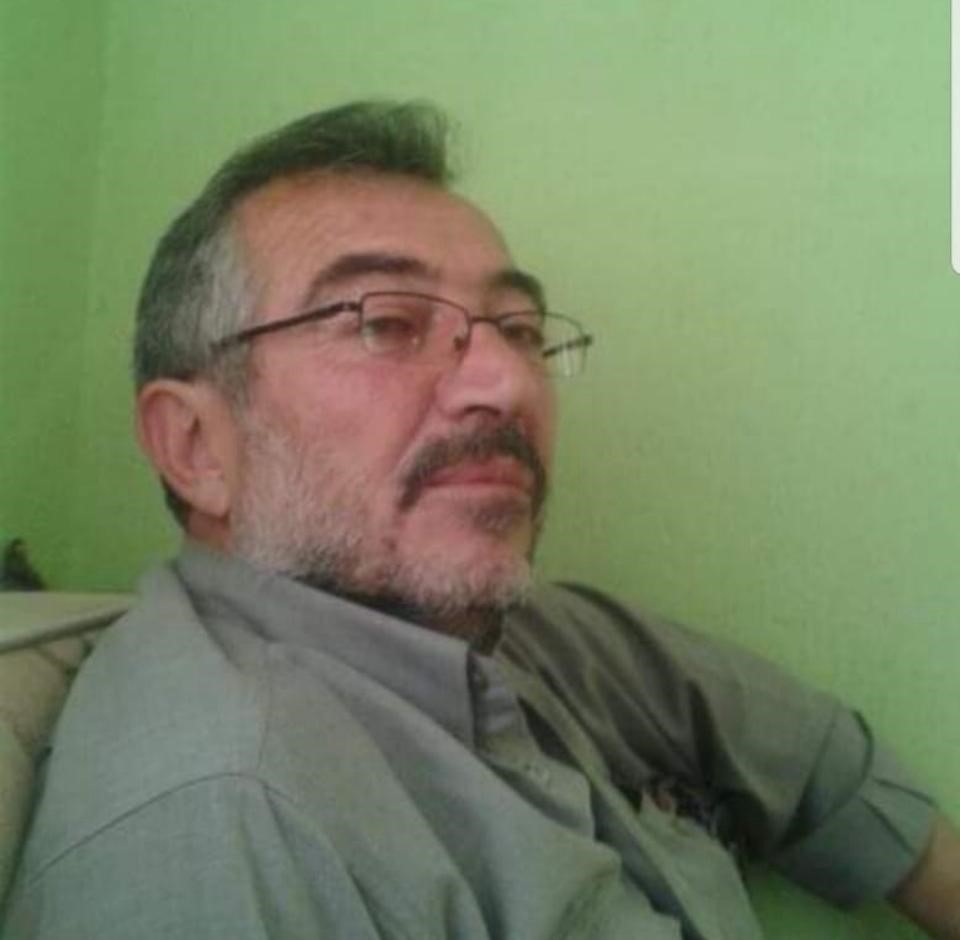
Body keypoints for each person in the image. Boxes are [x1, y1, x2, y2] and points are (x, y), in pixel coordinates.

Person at [3, 101, 957, 939]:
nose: (506, 382)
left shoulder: (521, 630)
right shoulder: (231, 832)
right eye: (385, 322)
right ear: (196, 447)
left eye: (520, 330)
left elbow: (825, 766)